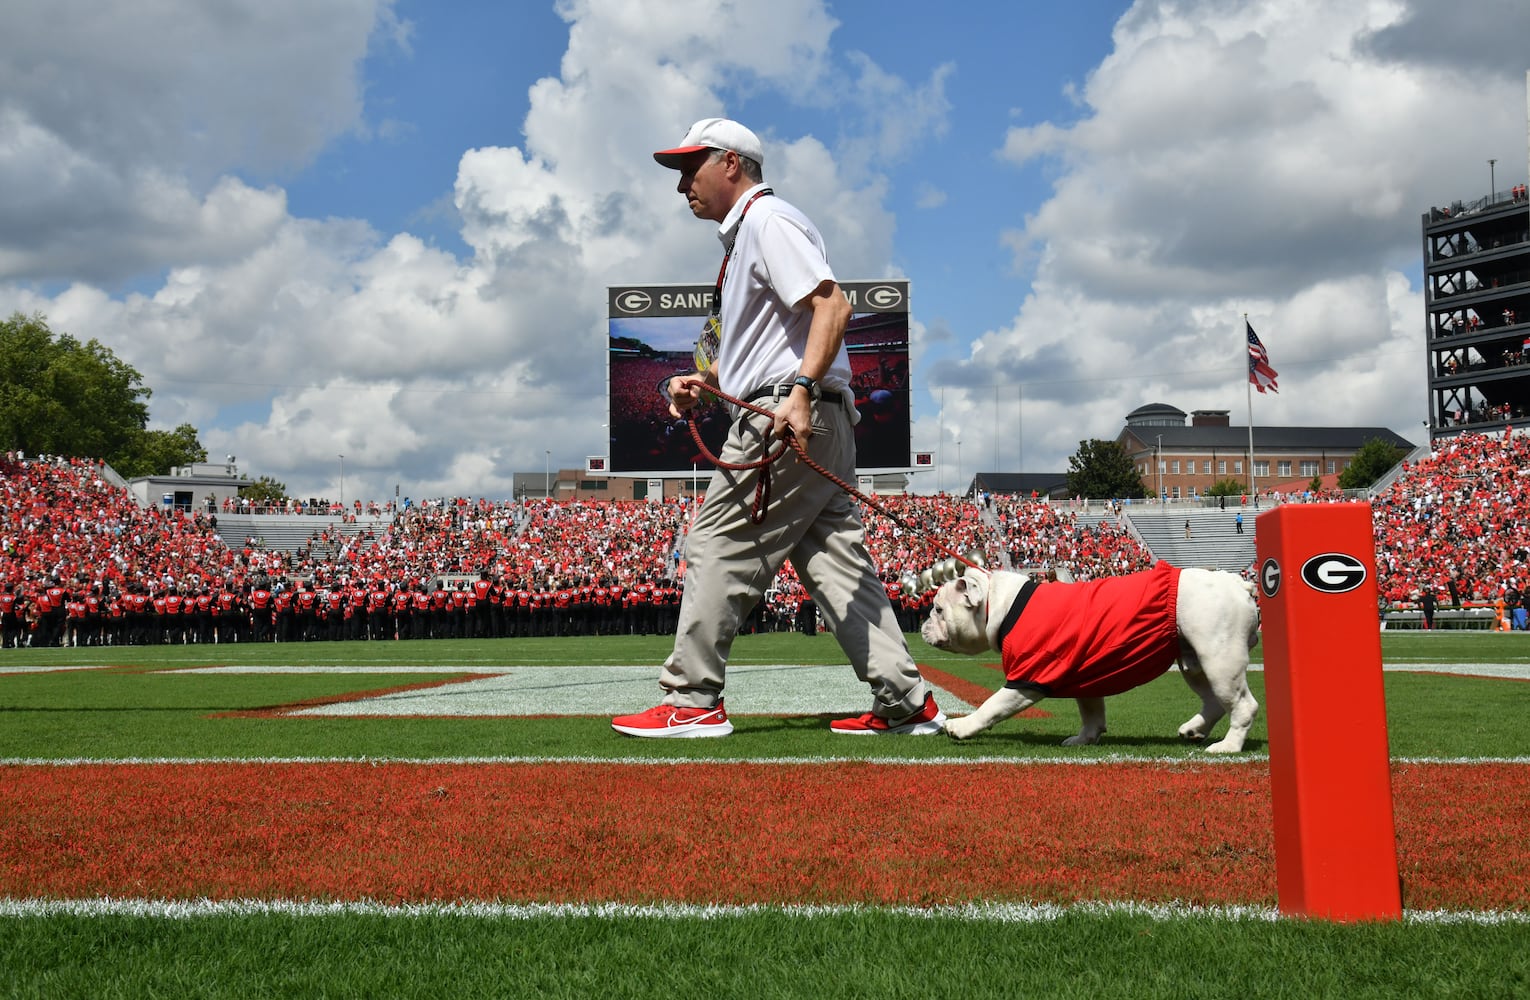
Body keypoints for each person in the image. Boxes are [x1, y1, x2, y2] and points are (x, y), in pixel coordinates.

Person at [612, 118, 943, 738]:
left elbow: (834, 305)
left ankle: (692, 700)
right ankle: (905, 701)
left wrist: (800, 392)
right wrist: (695, 382)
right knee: (837, 567)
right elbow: (769, 337)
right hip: (809, 415)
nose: (682, 183)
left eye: (691, 167)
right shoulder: (749, 237)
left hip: (785, 415)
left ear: (731, 164)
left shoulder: (768, 221)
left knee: (715, 546)